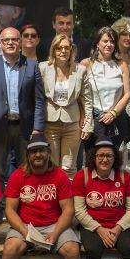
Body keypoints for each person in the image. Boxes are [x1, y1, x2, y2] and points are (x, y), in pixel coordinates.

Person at [0, 134, 83, 259]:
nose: (38, 155)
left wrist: (55, 234)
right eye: (33, 151)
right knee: (10, 249)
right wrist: (23, 231)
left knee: (72, 249)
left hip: (55, 224)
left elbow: (68, 210)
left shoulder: (59, 175)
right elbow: (10, 210)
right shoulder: (18, 175)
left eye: (41, 151)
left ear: (48, 152)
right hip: (26, 225)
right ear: (28, 155)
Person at [0, 27, 45, 199]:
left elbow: (39, 100)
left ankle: (22, 207)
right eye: (6, 40)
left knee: (25, 170)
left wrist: (37, 128)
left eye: (14, 39)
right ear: (0, 43)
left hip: (25, 128)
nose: (10, 43)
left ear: (20, 42)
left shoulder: (31, 65)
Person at [39, 34, 92, 177]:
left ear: (71, 50)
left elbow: (86, 99)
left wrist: (88, 124)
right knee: (53, 166)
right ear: (53, 50)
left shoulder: (79, 69)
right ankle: (55, 198)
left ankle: (70, 199)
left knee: (69, 167)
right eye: (59, 48)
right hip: (50, 124)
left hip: (72, 125)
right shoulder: (43, 68)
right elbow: (38, 98)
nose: (63, 51)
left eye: (66, 48)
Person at [80, 27, 130, 151]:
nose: (109, 44)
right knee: (92, 159)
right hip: (93, 120)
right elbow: (79, 95)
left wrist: (113, 113)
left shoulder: (122, 65)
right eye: (105, 41)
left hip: (117, 120)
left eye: (112, 41)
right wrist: (82, 115)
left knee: (115, 159)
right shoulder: (85, 64)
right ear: (97, 43)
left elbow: (127, 94)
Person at [111, 17, 130, 162]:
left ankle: (122, 183)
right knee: (114, 152)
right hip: (115, 109)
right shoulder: (111, 55)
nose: (128, 38)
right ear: (117, 35)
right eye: (124, 34)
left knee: (124, 157)